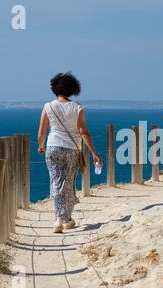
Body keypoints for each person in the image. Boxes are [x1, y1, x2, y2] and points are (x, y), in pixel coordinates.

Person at [37, 72, 102, 233]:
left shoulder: (48, 106)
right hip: (72, 149)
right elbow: (83, 132)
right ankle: (62, 218)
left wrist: (41, 145)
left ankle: (63, 219)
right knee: (68, 183)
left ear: (55, 88)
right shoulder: (77, 108)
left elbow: (41, 132)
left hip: (52, 147)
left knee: (56, 181)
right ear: (73, 89)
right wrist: (94, 153)